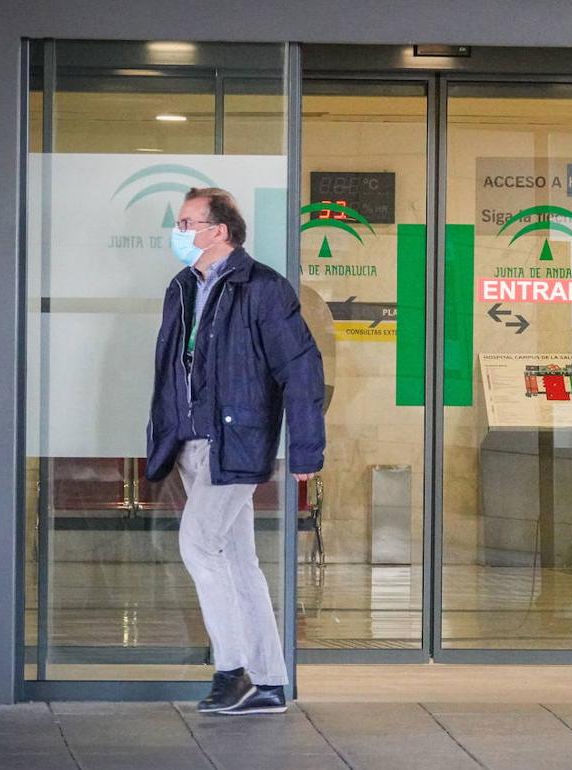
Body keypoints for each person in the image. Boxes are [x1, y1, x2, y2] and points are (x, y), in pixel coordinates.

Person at [146, 187, 326, 716]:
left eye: (186, 222)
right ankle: (269, 681)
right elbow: (171, 369)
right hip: (191, 444)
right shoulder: (182, 287)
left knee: (199, 547)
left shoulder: (263, 288)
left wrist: (306, 452)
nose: (178, 232)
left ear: (218, 230)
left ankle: (233, 670)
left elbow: (301, 370)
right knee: (240, 561)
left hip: (239, 443)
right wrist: (164, 433)